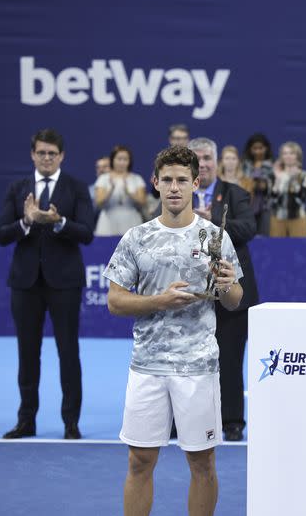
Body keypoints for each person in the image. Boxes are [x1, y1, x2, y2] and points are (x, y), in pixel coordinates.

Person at [104, 145, 244, 515]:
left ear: (196, 183)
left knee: (202, 465)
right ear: (155, 184)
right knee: (139, 462)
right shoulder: (136, 238)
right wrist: (158, 302)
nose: (174, 187)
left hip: (198, 368)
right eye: (167, 180)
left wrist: (228, 284)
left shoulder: (215, 237)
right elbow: (115, 301)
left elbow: (234, 301)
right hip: (147, 367)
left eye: (182, 180)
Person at [0, 128, 94, 440]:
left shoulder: (76, 188)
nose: (47, 158)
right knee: (27, 353)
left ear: (61, 156)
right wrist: (26, 221)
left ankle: (71, 423)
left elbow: (87, 232)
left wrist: (58, 222)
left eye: (52, 153)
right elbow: (1, 235)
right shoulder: (17, 188)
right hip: (25, 283)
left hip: (64, 282)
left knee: (68, 351)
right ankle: (26, 420)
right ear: (32, 154)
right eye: (42, 153)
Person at [189, 137, 260, 441]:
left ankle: (232, 421)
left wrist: (213, 221)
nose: (203, 164)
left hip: (231, 292)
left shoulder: (236, 194)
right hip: (190, 293)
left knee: (229, 359)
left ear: (216, 162)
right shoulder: (176, 193)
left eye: (207, 158)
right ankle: (185, 419)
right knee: (188, 359)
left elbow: (248, 229)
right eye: (197, 159)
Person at [94, 145, 147, 236]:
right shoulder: (103, 178)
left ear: (129, 161)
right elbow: (98, 202)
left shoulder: (137, 179)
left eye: (125, 159)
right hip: (107, 223)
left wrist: (129, 193)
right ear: (112, 160)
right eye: (119, 159)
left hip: (132, 222)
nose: (122, 162)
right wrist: (111, 190)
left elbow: (143, 203)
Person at [268, 141, 306, 237]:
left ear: (298, 156)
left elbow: (302, 199)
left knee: (301, 250)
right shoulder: (274, 175)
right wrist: (277, 181)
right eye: (285, 153)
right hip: (277, 219)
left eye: (292, 153)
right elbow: (271, 200)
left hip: (298, 219)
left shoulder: (305, 176)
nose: (288, 156)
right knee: (277, 249)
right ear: (281, 156)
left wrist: (293, 180)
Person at [242, 133, 274, 235]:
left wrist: (263, 185)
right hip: (248, 206)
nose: (258, 151)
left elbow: (272, 186)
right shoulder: (244, 165)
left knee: (265, 236)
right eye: (255, 148)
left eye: (261, 148)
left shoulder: (272, 165)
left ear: (266, 148)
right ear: (250, 149)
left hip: (265, 207)